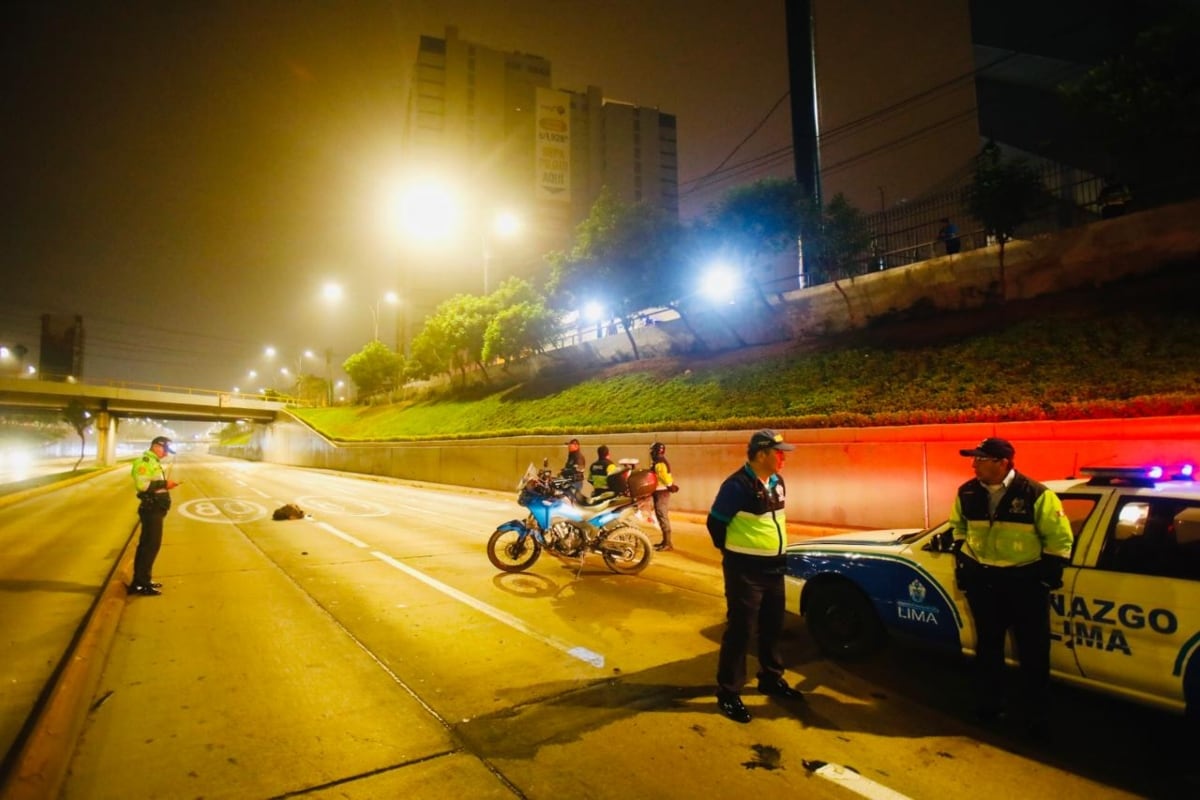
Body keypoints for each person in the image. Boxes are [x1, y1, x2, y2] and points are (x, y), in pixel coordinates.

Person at [950, 437, 1073, 735]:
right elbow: (958, 526)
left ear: (1002, 462)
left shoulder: (1036, 494)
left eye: (980, 459)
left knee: (1033, 652)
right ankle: (989, 705)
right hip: (984, 582)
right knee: (988, 649)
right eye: (974, 459)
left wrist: (1045, 576)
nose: (973, 465)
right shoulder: (966, 492)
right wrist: (964, 562)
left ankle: (1036, 716)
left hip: (1024, 583)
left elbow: (1059, 539)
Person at [707, 429, 805, 723]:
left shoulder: (777, 481)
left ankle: (771, 678)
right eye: (779, 453)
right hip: (745, 572)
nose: (783, 458)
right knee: (741, 631)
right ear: (761, 454)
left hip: (774, 568)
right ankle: (728, 692)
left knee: (773, 627)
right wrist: (735, 554)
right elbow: (715, 524)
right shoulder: (736, 486)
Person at [129, 435, 180, 596]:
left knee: (150, 546)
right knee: (149, 546)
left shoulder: (154, 462)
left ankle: (143, 580)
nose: (166, 454)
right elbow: (142, 485)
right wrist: (165, 484)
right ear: (157, 446)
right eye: (165, 450)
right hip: (151, 509)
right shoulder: (145, 462)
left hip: (156, 508)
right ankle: (141, 584)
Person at [649, 442, 678, 551]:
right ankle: (665, 541)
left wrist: (670, 486)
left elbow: (664, 477)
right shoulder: (658, 461)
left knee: (662, 515)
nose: (651, 453)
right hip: (660, 491)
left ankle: (667, 543)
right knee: (661, 515)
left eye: (652, 450)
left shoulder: (659, 463)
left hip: (662, 492)